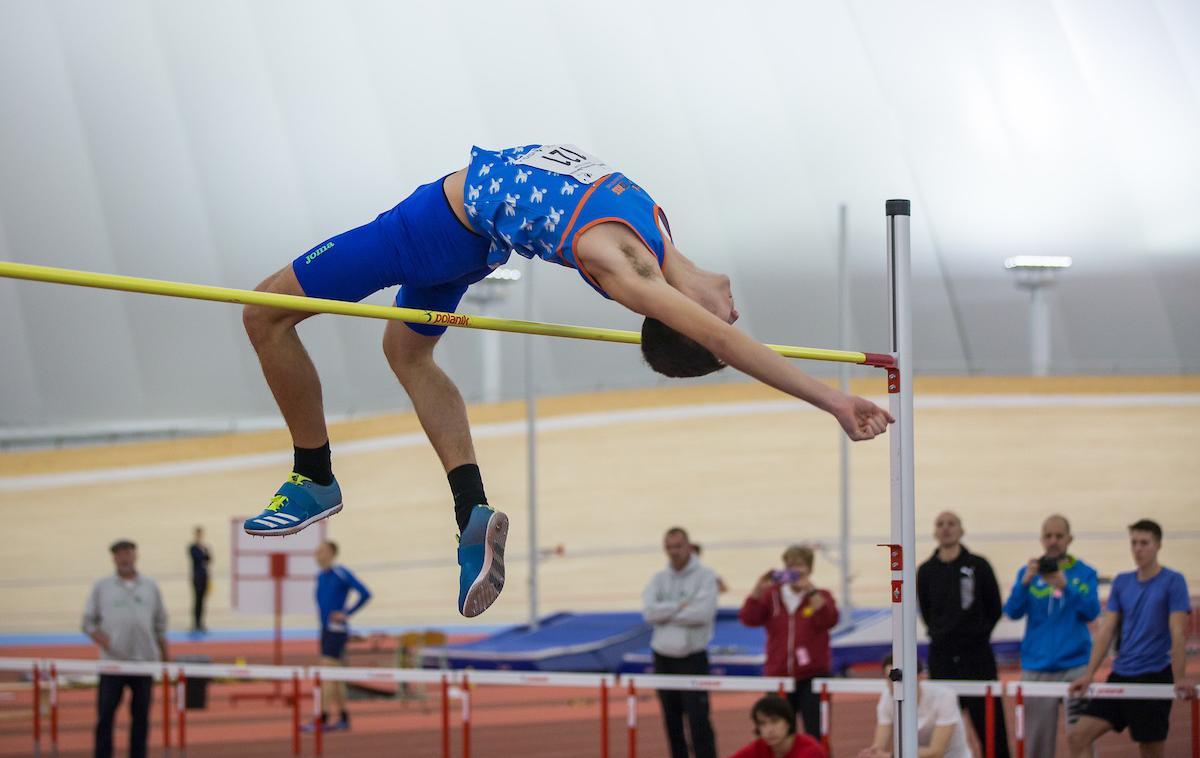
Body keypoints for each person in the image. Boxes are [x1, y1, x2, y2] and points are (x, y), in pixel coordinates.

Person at [239, 143, 895, 618]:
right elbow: (716, 327)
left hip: (431, 228)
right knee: (407, 354)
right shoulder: (663, 239)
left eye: (720, 322)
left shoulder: (626, 265)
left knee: (264, 314)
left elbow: (726, 341)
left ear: (691, 321)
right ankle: (472, 511)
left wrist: (833, 399)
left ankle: (313, 476)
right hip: (466, 234)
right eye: (729, 314)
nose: (735, 310)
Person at [1066, 519, 1193, 758]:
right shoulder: (1122, 582)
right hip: (1122, 674)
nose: (1138, 549)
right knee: (1077, 736)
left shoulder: (1173, 581)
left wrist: (1181, 677)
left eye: (1144, 543)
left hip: (1154, 675)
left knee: (1150, 752)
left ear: (1158, 545)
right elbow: (1106, 630)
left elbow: (1178, 631)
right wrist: (1090, 674)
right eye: (1134, 543)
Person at [1001, 514, 1099, 756]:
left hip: (1075, 667)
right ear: (1041, 539)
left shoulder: (1084, 572)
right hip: (1037, 668)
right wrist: (1024, 583)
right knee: (1036, 744)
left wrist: (1065, 586)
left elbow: (1091, 612)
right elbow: (1012, 612)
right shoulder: (1029, 572)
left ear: (1069, 539)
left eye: (1059, 536)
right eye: (1048, 535)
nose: (1053, 541)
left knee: (1081, 739)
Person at [915, 511, 1010, 758]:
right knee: (944, 731)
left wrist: (976, 634)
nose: (946, 528)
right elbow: (925, 610)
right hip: (942, 658)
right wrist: (942, 634)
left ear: (961, 530)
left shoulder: (979, 565)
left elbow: (994, 607)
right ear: (935, 532)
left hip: (977, 657)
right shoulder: (925, 571)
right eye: (940, 524)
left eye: (951, 524)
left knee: (991, 726)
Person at [738, 545, 838, 739]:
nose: (793, 570)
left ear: (809, 568)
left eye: (799, 565)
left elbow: (829, 620)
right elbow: (748, 619)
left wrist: (810, 591)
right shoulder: (772, 596)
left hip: (813, 676)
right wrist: (758, 590)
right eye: (789, 565)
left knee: (816, 733)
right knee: (777, 735)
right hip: (779, 675)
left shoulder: (821, 596)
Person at [82, 539, 168, 758]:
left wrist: (166, 659)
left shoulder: (150, 586)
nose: (124, 557)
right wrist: (106, 643)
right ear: (114, 558)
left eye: (128, 553)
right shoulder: (102, 587)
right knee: (105, 716)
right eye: (120, 554)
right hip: (112, 665)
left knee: (141, 718)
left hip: (144, 663)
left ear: (135, 555)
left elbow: (160, 624)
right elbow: (88, 623)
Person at [642, 527, 720, 758]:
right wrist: (680, 606)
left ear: (688, 546)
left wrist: (666, 613)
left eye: (678, 546)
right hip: (663, 657)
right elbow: (648, 613)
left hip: (692, 657)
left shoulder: (705, 576)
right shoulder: (658, 579)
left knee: (698, 719)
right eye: (669, 547)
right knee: (671, 720)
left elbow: (702, 614)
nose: (674, 552)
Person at [305, 540, 372, 733]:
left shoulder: (340, 573)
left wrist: (347, 613)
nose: (317, 554)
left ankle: (322, 718)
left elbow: (365, 593)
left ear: (331, 553)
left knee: (326, 675)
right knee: (335, 677)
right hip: (326, 630)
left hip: (336, 631)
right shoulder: (320, 576)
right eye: (316, 551)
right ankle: (343, 717)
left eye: (321, 551)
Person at [858, 655, 971, 758]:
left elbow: (936, 752)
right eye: (890, 679)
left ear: (919, 676)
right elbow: (879, 745)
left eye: (899, 679)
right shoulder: (887, 698)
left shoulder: (945, 697)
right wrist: (872, 753)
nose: (895, 685)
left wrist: (889, 756)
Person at [727, 695, 827, 758]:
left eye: (775, 721)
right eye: (762, 723)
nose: (769, 730)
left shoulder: (810, 751)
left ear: (788, 723)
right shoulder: (760, 747)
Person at [188, 526, 211, 633]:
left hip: (204, 576)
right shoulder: (192, 547)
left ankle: (201, 623)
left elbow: (209, 559)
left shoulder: (205, 547)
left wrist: (204, 551)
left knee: (203, 601)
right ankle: (195, 624)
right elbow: (196, 558)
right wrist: (202, 552)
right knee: (197, 600)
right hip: (197, 577)